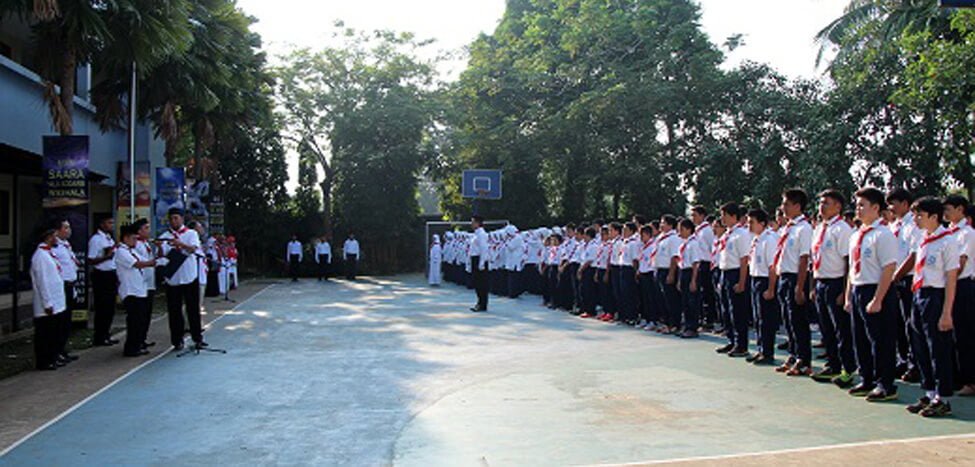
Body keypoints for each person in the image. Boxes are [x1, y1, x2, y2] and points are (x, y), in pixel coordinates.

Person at [904, 196, 959, 417]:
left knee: (938, 348)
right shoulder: (922, 239)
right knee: (920, 346)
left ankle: (942, 397)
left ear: (934, 217)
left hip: (936, 296)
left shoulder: (947, 241)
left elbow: (951, 278)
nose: (916, 219)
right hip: (919, 295)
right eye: (915, 214)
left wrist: (946, 312)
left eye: (920, 215)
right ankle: (928, 391)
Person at [845, 187, 900, 402]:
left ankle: (885, 384)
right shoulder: (856, 235)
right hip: (859, 288)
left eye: (862, 205)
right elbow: (851, 267)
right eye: (857, 205)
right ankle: (866, 377)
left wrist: (878, 299)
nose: (857, 209)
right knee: (860, 339)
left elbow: (889, 268)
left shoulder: (883, 234)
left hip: (876, 289)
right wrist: (849, 295)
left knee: (881, 339)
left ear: (876, 208)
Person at [810, 190, 856, 386]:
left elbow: (848, 262)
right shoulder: (820, 228)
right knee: (826, 328)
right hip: (821, 281)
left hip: (836, 282)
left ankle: (848, 368)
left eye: (826, 203)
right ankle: (833, 364)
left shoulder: (842, 229)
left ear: (838, 206)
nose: (822, 207)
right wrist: (813, 286)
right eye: (820, 203)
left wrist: (845, 291)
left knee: (841, 329)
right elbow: (814, 261)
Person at [771, 188, 814, 376]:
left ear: (797, 206)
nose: (783, 208)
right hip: (785, 277)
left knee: (798, 321)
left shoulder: (804, 228)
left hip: (797, 277)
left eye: (787, 204)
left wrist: (800, 286)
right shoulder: (786, 229)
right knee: (788, 320)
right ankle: (793, 354)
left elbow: (804, 258)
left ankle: (804, 360)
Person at [888, 188, 923, 383]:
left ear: (905, 204)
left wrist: (897, 275)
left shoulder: (914, 224)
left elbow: (913, 255)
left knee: (912, 324)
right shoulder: (895, 225)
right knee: (899, 324)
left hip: (907, 278)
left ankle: (915, 364)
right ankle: (903, 359)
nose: (890, 208)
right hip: (895, 279)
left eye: (894, 203)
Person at [159, 208, 206, 351]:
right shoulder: (165, 236)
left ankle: (197, 338)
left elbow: (193, 248)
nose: (174, 221)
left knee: (193, 309)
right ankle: (177, 340)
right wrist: (160, 247)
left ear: (182, 219)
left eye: (176, 218)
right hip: (173, 279)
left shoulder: (191, 234)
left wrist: (180, 244)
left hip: (189, 276)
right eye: (171, 218)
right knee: (174, 311)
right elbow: (162, 256)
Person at [943, 195, 975, 396]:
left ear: (960, 209)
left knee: (965, 335)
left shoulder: (967, 233)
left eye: (948, 209)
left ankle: (970, 381)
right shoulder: (947, 233)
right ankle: (956, 376)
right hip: (947, 285)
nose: (945, 213)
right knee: (950, 334)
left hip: (962, 286)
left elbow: (960, 262)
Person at [115, 224, 162, 357]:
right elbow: (138, 264)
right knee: (134, 320)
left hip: (139, 289)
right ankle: (131, 347)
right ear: (125, 238)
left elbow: (145, 260)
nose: (136, 241)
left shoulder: (132, 250)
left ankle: (138, 343)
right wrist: (153, 263)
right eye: (133, 238)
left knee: (140, 319)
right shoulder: (121, 252)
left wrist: (158, 259)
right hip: (130, 290)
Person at [716, 203, 752, 357]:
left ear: (732, 216)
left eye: (724, 214)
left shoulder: (741, 234)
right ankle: (732, 340)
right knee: (726, 310)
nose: (721, 218)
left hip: (736, 273)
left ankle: (741, 344)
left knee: (737, 311)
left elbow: (744, 259)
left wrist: (742, 281)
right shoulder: (726, 235)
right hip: (725, 273)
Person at [747, 208, 779, 365]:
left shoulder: (769, 240)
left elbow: (773, 266)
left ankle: (767, 352)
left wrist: (771, 288)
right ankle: (761, 349)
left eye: (752, 222)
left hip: (765, 280)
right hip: (755, 279)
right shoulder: (757, 239)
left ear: (762, 223)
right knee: (758, 318)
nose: (749, 226)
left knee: (766, 319)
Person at [31, 226, 66, 370]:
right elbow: (42, 282)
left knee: (54, 333)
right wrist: (47, 303)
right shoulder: (40, 256)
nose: (57, 239)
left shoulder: (49, 254)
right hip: (48, 303)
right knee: (45, 334)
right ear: (49, 237)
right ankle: (44, 361)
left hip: (57, 300)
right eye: (55, 236)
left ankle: (53, 356)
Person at [87, 215, 118, 347]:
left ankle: (106, 334)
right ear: (102, 224)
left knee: (110, 307)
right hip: (101, 275)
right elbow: (91, 259)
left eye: (112, 222)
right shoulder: (96, 240)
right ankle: (99, 336)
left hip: (111, 274)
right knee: (102, 307)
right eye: (109, 222)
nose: (111, 225)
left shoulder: (109, 238)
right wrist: (106, 257)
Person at [52, 219, 80, 364]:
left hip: (70, 285)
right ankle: (56, 352)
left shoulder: (66, 245)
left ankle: (62, 350)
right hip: (61, 286)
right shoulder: (54, 247)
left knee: (67, 322)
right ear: (57, 230)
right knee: (60, 322)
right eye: (66, 227)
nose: (69, 230)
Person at [676, 219, 704, 338]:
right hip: (683, 272)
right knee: (685, 302)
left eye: (681, 229)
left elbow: (696, 263)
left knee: (692, 302)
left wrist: (693, 280)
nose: (679, 232)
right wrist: (679, 280)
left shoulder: (694, 243)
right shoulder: (684, 243)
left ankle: (693, 327)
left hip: (691, 273)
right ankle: (687, 326)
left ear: (688, 229)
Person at [653, 216, 681, 333]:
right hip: (660, 270)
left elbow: (674, 257)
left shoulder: (673, 238)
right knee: (662, 299)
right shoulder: (661, 238)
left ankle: (674, 324)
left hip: (668, 270)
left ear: (670, 225)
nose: (661, 225)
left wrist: (671, 273)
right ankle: (666, 322)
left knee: (671, 299)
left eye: (663, 223)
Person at [134, 218, 159, 350]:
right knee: (141, 314)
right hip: (142, 283)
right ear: (139, 231)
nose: (149, 231)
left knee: (147, 313)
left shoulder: (146, 243)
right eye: (146, 228)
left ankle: (143, 338)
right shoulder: (136, 244)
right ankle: (138, 340)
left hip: (150, 282)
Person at [691, 207, 717, 331]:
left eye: (695, 215)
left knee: (707, 293)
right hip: (698, 263)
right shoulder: (697, 231)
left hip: (706, 263)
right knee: (700, 293)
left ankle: (709, 320)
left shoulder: (707, 231)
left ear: (702, 216)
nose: (693, 218)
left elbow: (713, 247)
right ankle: (702, 318)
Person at [469, 215, 490, 312]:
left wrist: (482, 263)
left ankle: (482, 304)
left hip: (480, 259)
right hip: (475, 259)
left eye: (473, 222)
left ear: (478, 223)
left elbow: (484, 249)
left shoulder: (481, 234)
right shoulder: (476, 234)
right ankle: (479, 302)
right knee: (477, 283)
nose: (471, 224)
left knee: (481, 283)